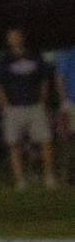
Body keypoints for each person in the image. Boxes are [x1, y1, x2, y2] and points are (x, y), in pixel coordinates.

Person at [0, 28, 56, 190]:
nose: (14, 39)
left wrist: (42, 100)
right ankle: (20, 180)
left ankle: (48, 176)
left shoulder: (35, 57)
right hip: (14, 107)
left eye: (17, 36)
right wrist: (5, 103)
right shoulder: (5, 61)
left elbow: (44, 80)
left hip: (34, 105)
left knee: (45, 140)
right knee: (14, 144)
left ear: (22, 38)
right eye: (11, 37)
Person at [54, 44, 75, 184]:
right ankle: (65, 176)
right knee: (68, 142)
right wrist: (64, 101)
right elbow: (59, 79)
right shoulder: (67, 53)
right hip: (71, 102)